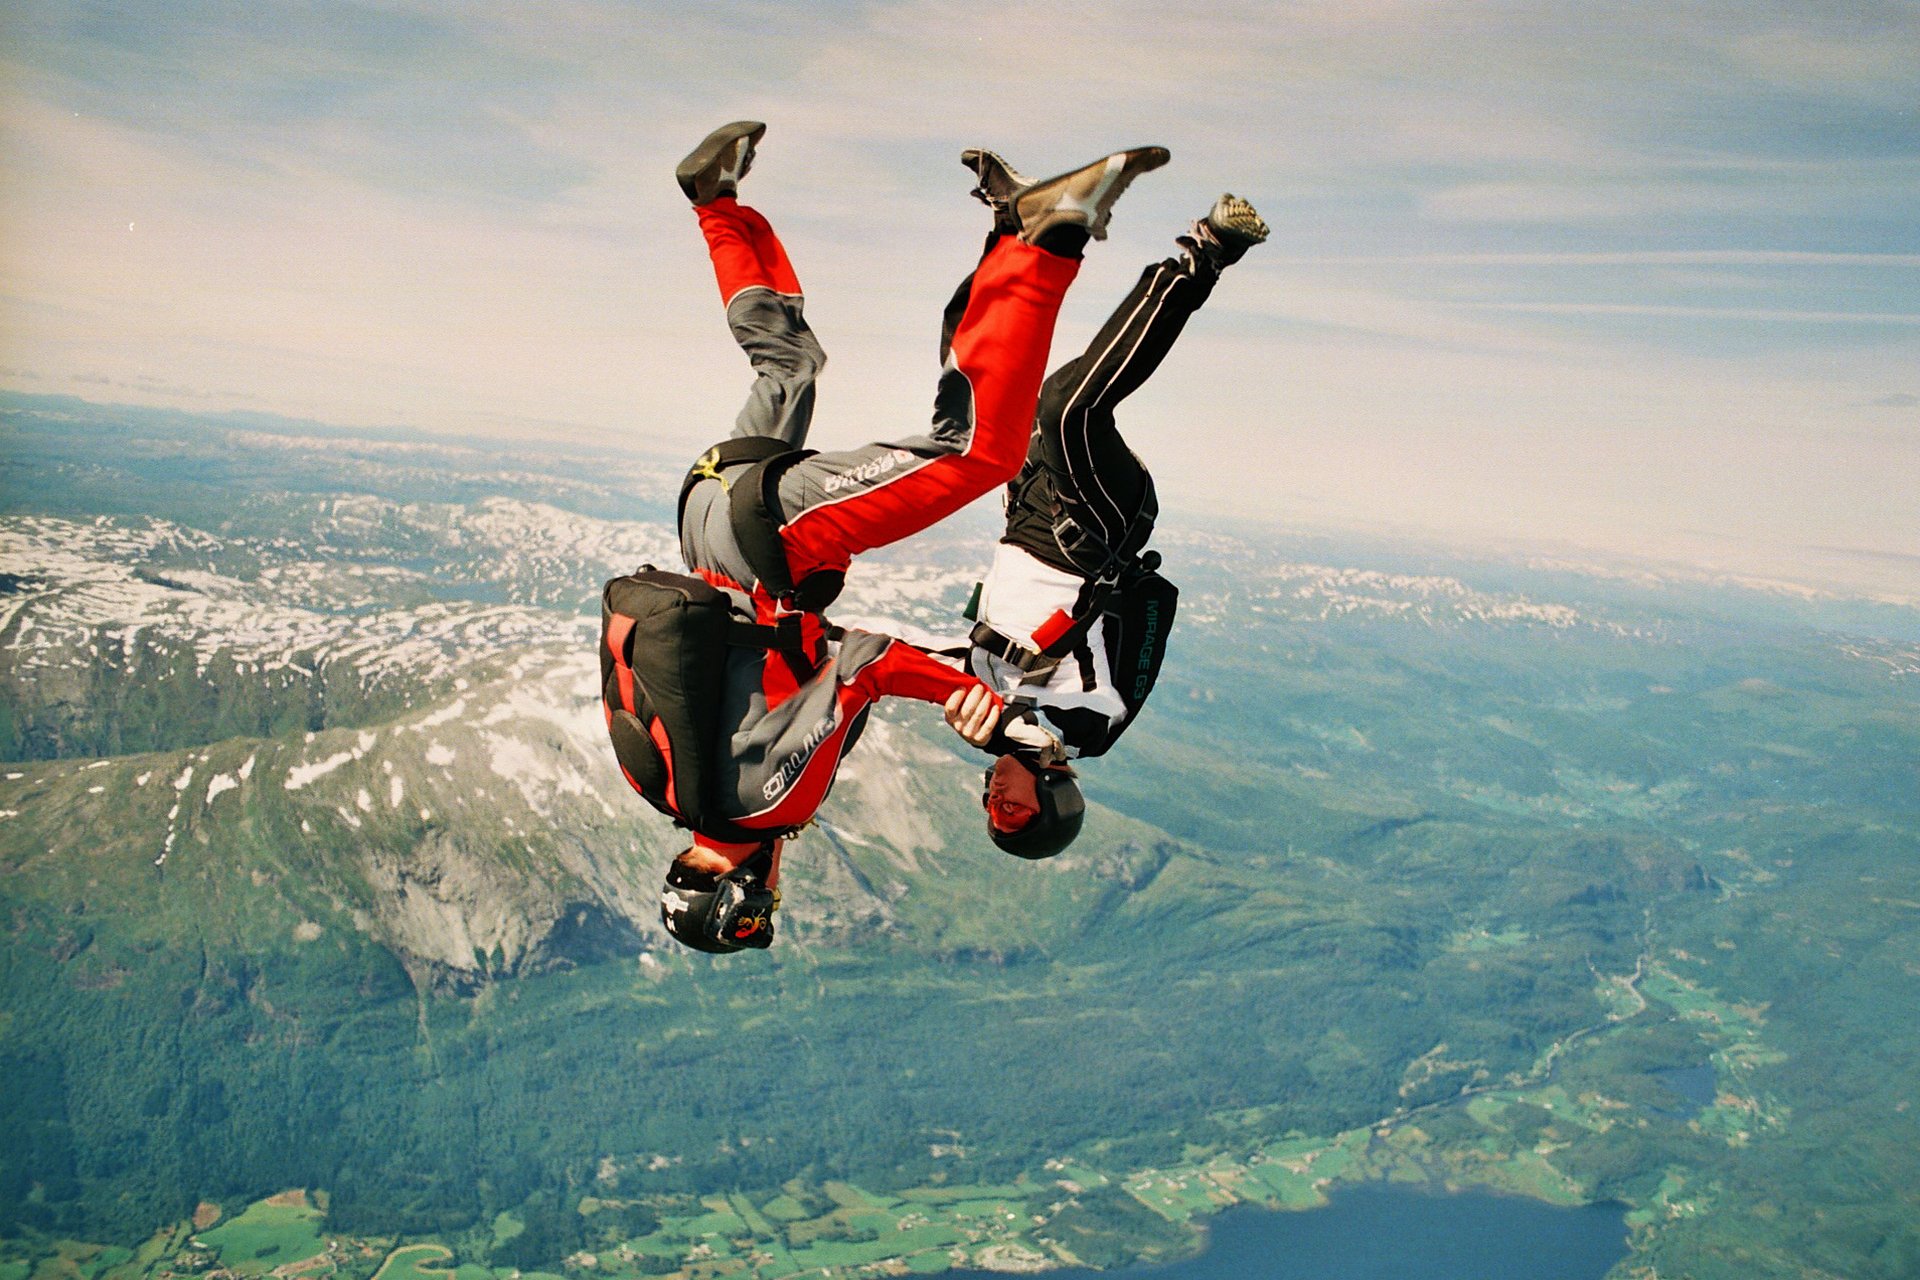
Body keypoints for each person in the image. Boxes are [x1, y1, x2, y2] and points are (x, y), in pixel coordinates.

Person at [618, 121, 1167, 952]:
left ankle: (1043, 239)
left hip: (772, 544)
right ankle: (715, 202)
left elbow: (860, 665)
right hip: (705, 514)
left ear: (745, 894)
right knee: (787, 370)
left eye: (766, 908)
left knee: (980, 451)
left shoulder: (771, 805)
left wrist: (960, 697)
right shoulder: (661, 786)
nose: (778, 896)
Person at [951, 150, 1269, 860]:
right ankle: (1207, 254)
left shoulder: (985, 700)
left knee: (984, 400)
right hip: (1093, 534)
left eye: (992, 813)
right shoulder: (1092, 729)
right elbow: (1054, 725)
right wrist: (1007, 730)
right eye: (1015, 814)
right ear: (1056, 798)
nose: (996, 802)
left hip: (1025, 518)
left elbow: (927, 663)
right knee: (1069, 410)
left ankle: (1016, 233)